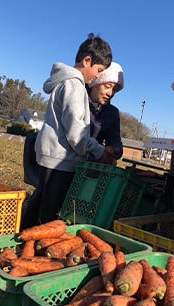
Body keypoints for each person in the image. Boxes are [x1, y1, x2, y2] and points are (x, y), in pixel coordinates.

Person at [20, 33, 115, 229]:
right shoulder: (74, 85)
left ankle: (22, 237)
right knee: (49, 215)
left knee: (39, 202)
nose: (98, 75)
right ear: (87, 60)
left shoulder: (64, 82)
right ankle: (32, 247)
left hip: (50, 156)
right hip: (61, 161)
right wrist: (97, 151)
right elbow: (76, 133)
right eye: (99, 70)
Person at [85, 61, 125, 163]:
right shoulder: (78, 100)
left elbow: (114, 139)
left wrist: (115, 150)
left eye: (115, 90)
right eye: (107, 86)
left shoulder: (112, 113)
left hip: (91, 164)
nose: (110, 93)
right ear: (95, 82)